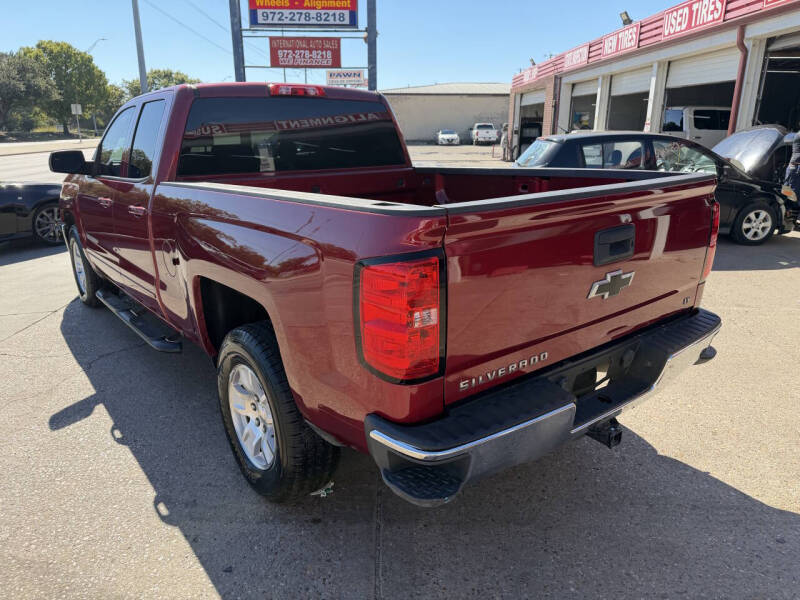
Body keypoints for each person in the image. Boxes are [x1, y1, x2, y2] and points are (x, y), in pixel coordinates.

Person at [785, 130, 800, 202]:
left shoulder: (797, 134)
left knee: (788, 188)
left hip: (794, 166)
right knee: (791, 191)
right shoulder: (799, 135)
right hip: (796, 167)